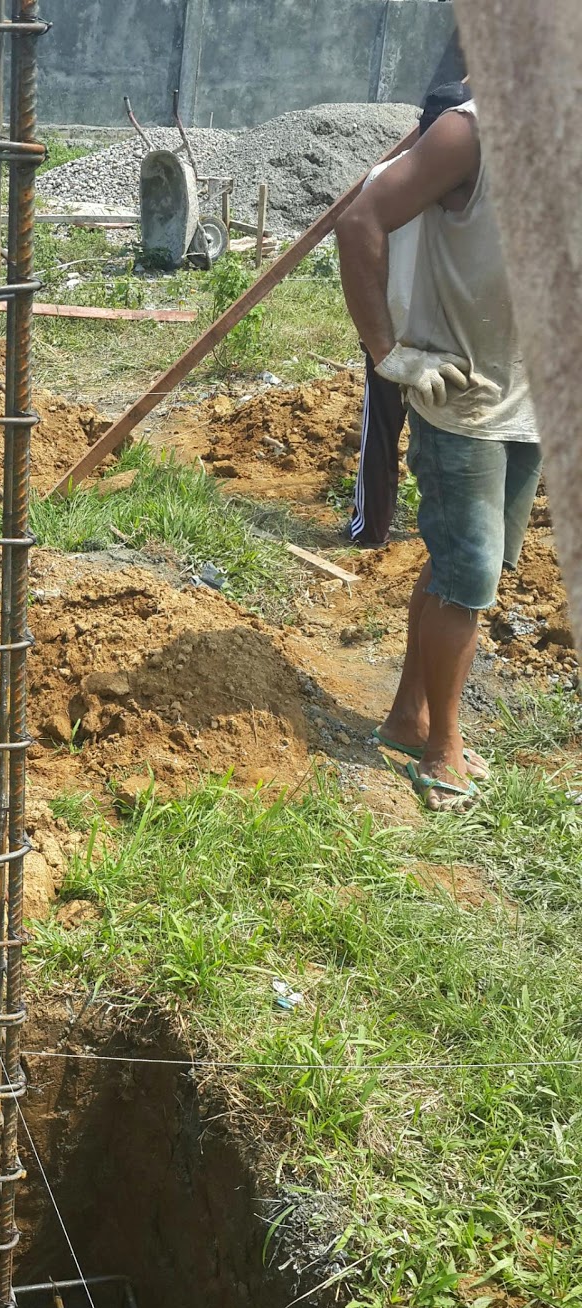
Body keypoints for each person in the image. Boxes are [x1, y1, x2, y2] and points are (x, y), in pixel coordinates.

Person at [336, 88, 541, 809]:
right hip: (461, 394)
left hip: (528, 398)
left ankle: (406, 718)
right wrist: (387, 352)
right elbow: (360, 217)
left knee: (461, 563)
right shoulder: (471, 133)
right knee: (468, 574)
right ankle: (442, 749)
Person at [341, 80, 471, 549]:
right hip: (427, 335)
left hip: (393, 330)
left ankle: (371, 530)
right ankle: (426, 540)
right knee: (435, 440)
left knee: (382, 435)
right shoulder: (466, 184)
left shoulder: (388, 177)